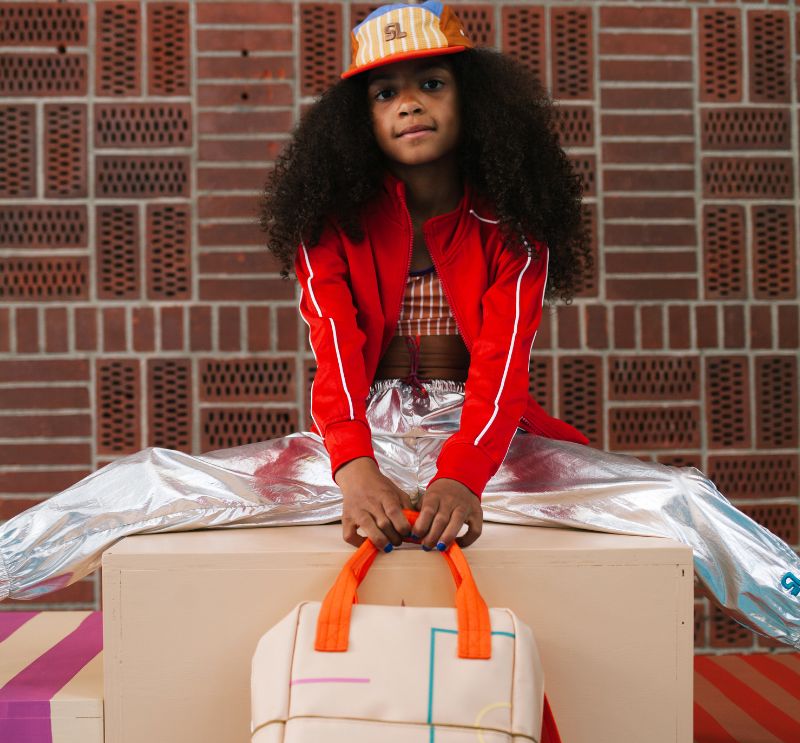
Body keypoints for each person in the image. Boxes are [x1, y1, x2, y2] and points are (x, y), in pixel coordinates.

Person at [0, 1, 798, 651]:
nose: (408, 103)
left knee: (681, 498)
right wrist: (352, 469)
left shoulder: (516, 226)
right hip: (363, 441)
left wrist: (464, 475)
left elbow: (503, 364)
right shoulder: (328, 225)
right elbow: (335, 352)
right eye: (384, 94)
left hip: (487, 446)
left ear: (473, 101)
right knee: (145, 480)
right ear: (360, 121)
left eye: (431, 83)